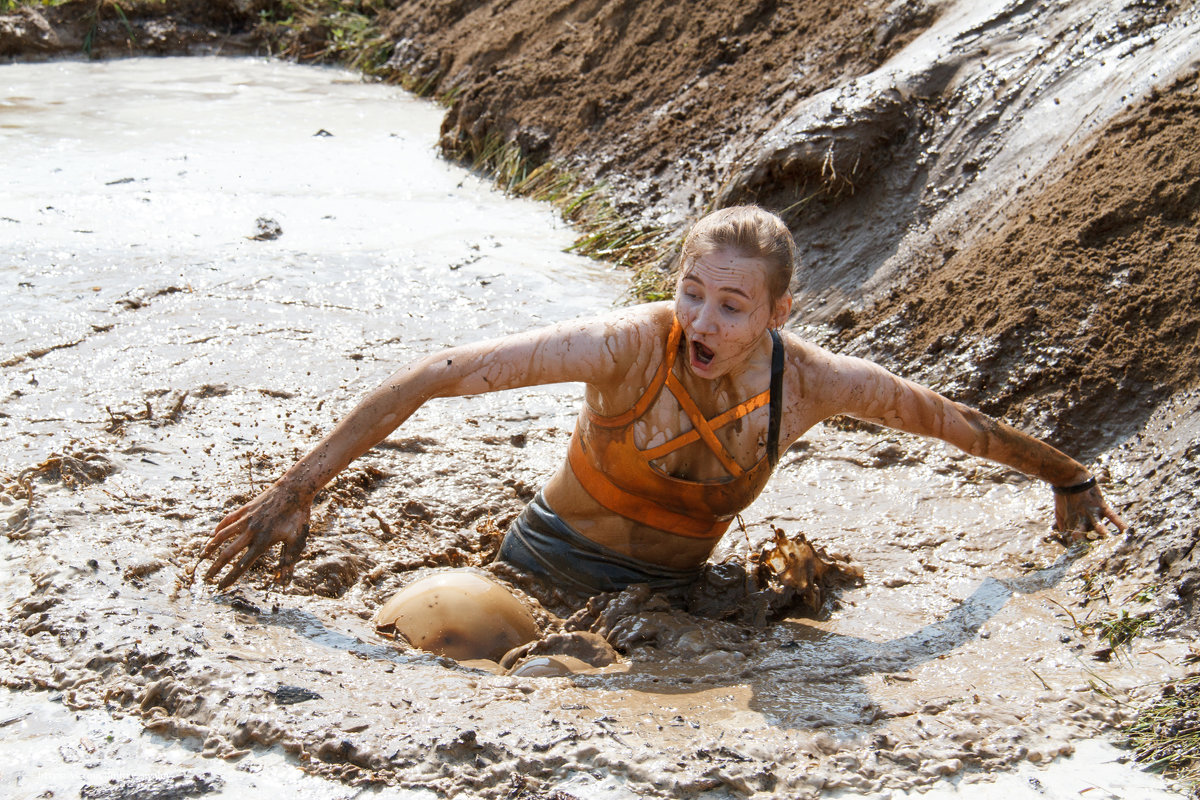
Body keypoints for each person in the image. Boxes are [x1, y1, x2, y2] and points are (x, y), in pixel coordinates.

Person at [199, 206, 1125, 652]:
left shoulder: (816, 385)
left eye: (732, 305)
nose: (705, 323)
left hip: (672, 601)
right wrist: (296, 488)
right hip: (537, 567)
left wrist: (1069, 478)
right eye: (692, 294)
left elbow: (956, 423)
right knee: (448, 642)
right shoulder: (625, 348)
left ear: (776, 311)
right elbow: (438, 376)